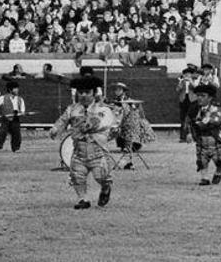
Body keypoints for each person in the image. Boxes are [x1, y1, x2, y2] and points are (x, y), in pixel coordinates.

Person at [49, 76, 118, 209]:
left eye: (87, 92)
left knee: (101, 176)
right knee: (77, 175)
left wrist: (92, 124)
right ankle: (83, 199)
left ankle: (105, 188)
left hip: (97, 150)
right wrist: (55, 129)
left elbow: (105, 122)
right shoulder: (72, 109)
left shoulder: (102, 109)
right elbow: (62, 121)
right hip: (79, 150)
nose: (83, 95)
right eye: (81, 92)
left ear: (94, 93)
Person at [106, 82, 155, 166]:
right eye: (116, 90)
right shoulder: (116, 99)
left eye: (119, 90)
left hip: (128, 121)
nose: (117, 91)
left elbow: (129, 111)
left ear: (123, 91)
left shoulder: (128, 100)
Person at [192, 84, 221, 186]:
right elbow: (190, 120)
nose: (199, 98)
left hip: (214, 138)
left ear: (210, 97)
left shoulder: (216, 108)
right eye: (198, 95)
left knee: (218, 159)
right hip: (201, 139)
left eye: (203, 96)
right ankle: (204, 178)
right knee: (202, 159)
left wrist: (203, 122)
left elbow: (218, 120)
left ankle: (218, 171)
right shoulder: (195, 108)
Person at [0, 81, 26, 152]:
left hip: (16, 119)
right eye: (15, 88)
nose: (17, 90)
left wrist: (22, 112)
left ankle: (16, 148)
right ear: (10, 89)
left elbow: (22, 109)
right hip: (5, 119)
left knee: (16, 133)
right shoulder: (2, 98)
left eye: (17, 88)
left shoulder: (20, 99)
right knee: (3, 132)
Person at [176, 67, 201, 143]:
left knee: (192, 119)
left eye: (188, 74)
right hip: (183, 100)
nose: (187, 76)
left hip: (192, 101)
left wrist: (191, 81)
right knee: (183, 118)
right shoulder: (181, 82)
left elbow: (197, 89)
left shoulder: (195, 80)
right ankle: (183, 137)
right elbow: (177, 90)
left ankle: (195, 136)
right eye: (185, 74)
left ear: (191, 75)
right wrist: (180, 82)